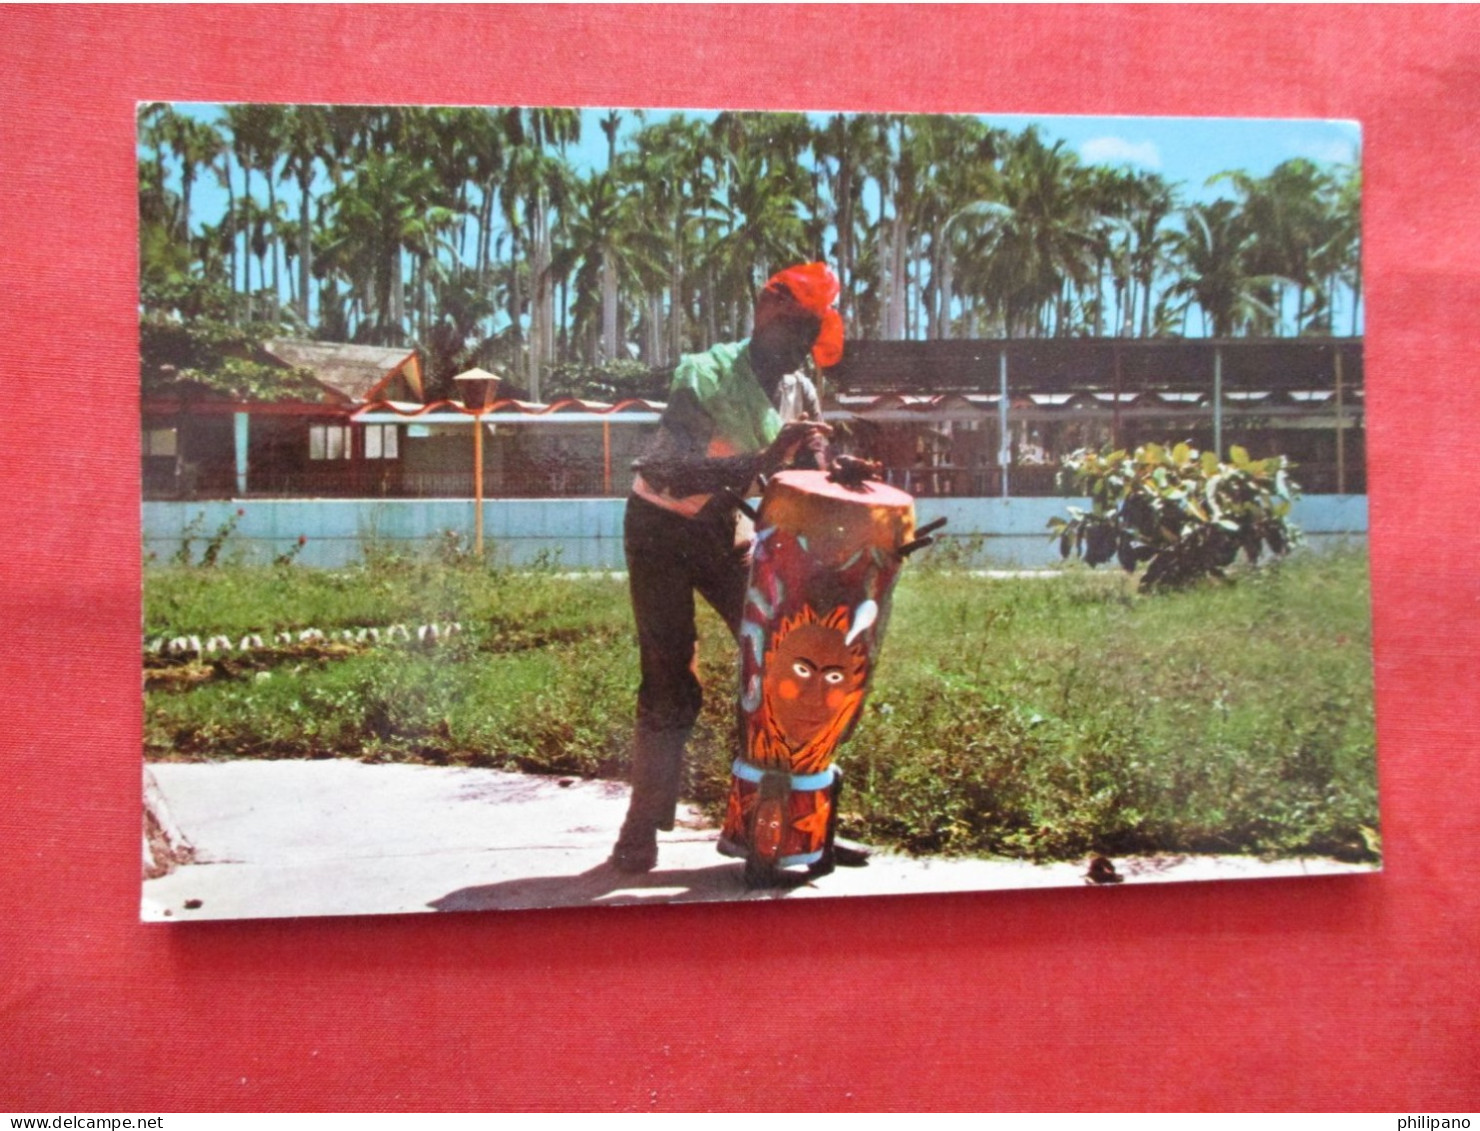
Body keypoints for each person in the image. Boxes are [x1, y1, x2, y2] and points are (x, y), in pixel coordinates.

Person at [610, 262, 849, 873]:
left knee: (781, 662)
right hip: (661, 529)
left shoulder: (799, 386)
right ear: (766, 316)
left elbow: (814, 459)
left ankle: (784, 821)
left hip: (725, 530)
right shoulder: (706, 373)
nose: (801, 353)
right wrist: (765, 455)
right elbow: (668, 472)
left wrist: (845, 473)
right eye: (796, 334)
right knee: (670, 677)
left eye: (811, 338)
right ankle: (641, 828)